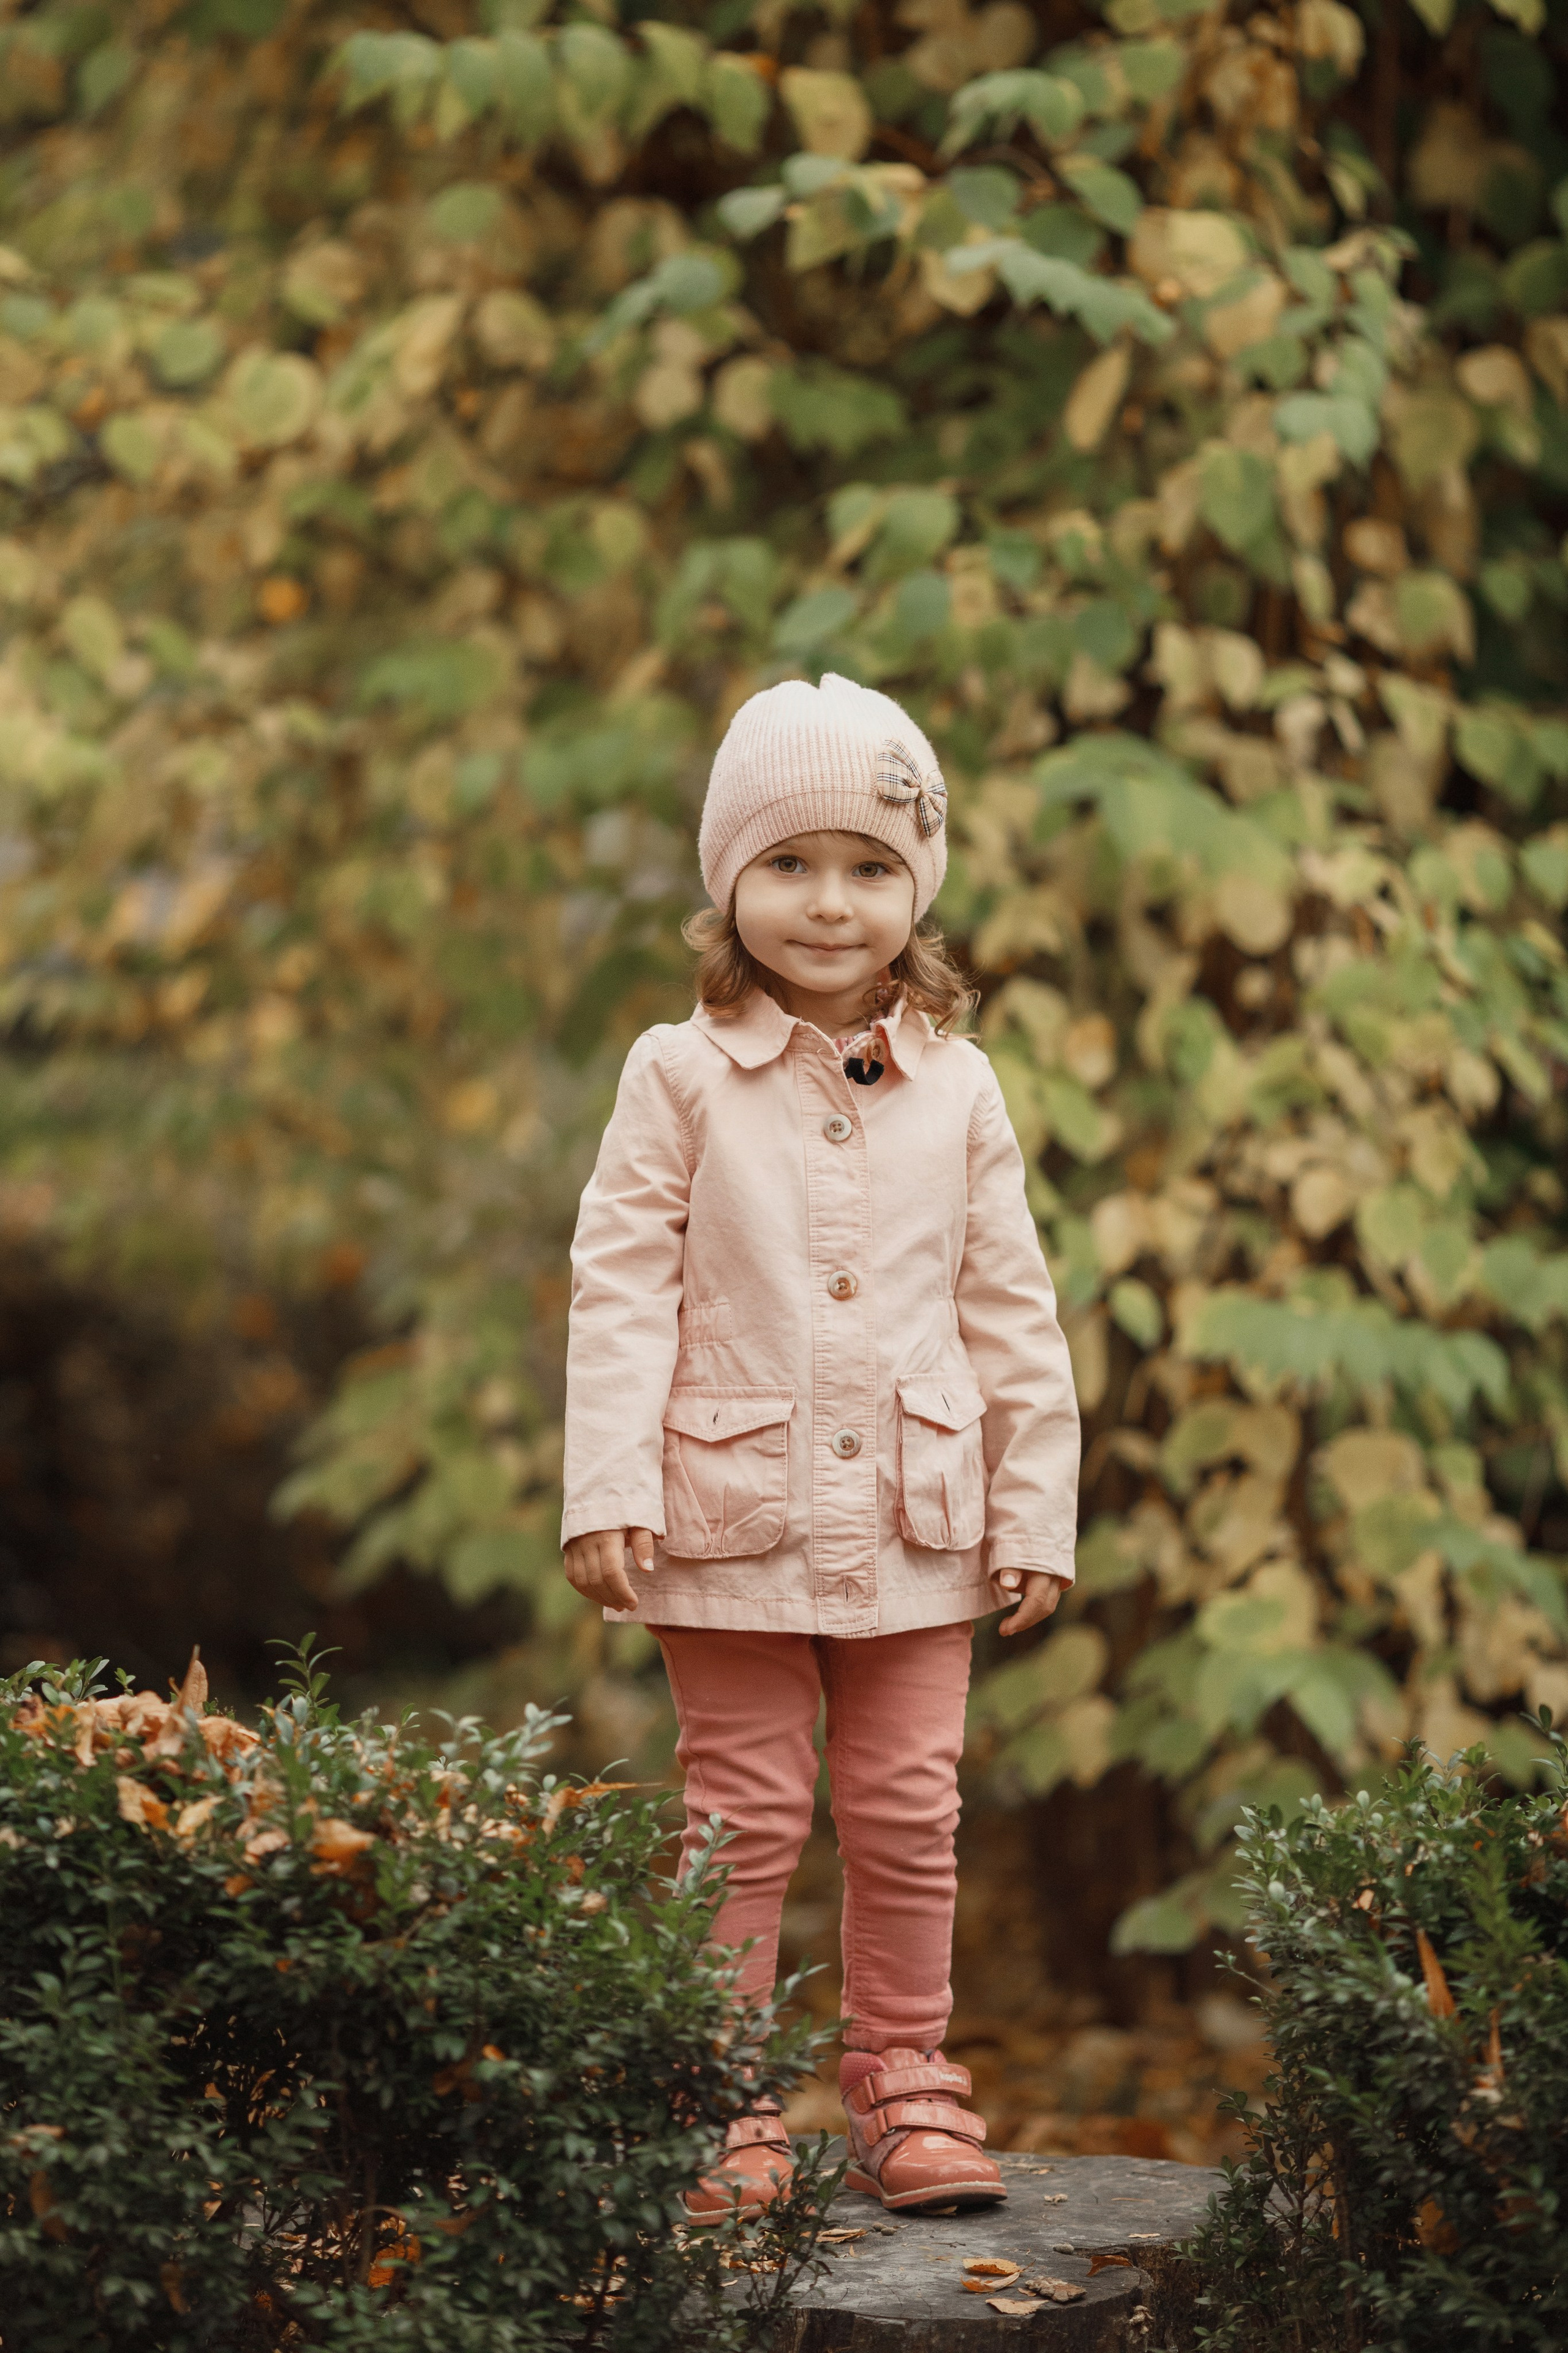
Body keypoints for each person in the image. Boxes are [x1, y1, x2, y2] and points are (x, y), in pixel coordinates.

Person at [560, 673, 1080, 2223]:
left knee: (910, 1809)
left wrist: (1033, 1510)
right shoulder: (676, 1074)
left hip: (918, 1521)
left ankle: (903, 2080)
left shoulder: (960, 1086)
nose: (830, 902)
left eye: (868, 866)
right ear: (730, 879)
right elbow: (620, 1284)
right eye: (788, 863)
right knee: (738, 1814)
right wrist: (607, 1485)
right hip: (724, 1515)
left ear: (916, 889)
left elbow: (1010, 1308)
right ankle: (714, 2093)